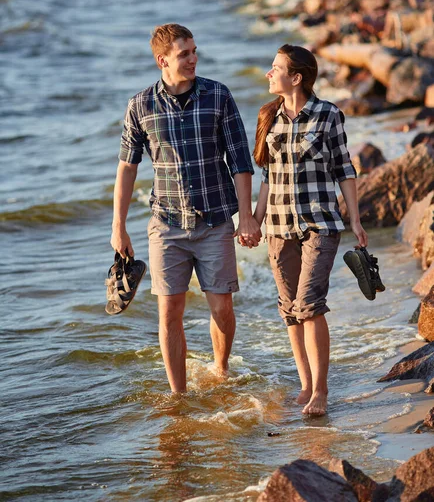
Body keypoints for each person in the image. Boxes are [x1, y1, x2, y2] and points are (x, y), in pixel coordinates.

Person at [110, 23, 261, 393]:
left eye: (194, 51)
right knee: (168, 313)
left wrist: (247, 218)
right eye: (184, 54)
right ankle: (179, 396)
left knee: (221, 307)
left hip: (215, 221)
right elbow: (127, 167)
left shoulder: (218, 95)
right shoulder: (140, 106)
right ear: (163, 60)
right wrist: (119, 226)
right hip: (166, 225)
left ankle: (221, 370)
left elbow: (240, 160)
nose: (193, 59)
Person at [250, 44, 367, 416]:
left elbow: (344, 169)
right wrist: (254, 218)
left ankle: (321, 391)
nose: (269, 74)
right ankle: (304, 383)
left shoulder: (329, 115)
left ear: (296, 77)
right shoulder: (269, 116)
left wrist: (356, 219)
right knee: (290, 310)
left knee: (310, 306)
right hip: (279, 227)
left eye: (275, 68)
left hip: (320, 224)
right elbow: (268, 177)